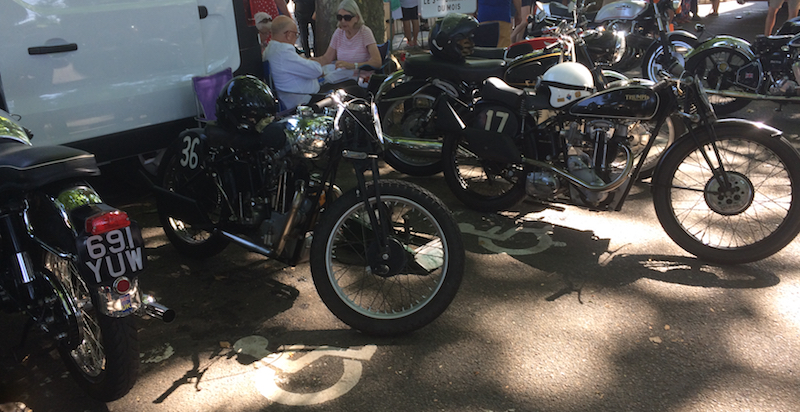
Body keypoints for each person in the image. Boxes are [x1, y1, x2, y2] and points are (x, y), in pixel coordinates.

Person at [263, 16, 324, 110]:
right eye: (296, 35)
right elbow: (317, 71)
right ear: (288, 34)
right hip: (304, 101)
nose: (296, 38)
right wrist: (308, 61)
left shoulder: (269, 50)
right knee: (349, 86)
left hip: (293, 97)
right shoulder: (283, 51)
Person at [313, 0, 382, 73]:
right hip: (343, 76)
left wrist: (352, 65)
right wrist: (308, 61)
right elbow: (327, 59)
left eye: (347, 18)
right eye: (339, 17)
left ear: (357, 18)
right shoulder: (339, 32)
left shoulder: (365, 32)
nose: (343, 21)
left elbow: (377, 62)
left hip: (361, 78)